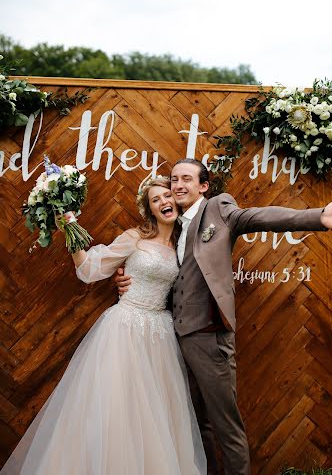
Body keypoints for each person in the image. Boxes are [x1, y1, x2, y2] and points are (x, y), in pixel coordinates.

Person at [116, 158, 332, 475]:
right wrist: (128, 278)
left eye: (186, 178)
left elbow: (260, 217)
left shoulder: (219, 209)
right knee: (196, 425)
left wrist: (319, 216)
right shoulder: (172, 226)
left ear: (204, 186)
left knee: (226, 427)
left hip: (210, 339)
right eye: (173, 180)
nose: (177, 184)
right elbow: (163, 274)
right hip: (174, 340)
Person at [1, 177, 207, 475]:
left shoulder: (183, 243)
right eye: (155, 200)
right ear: (149, 210)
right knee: (115, 412)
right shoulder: (134, 237)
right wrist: (69, 230)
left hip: (160, 334)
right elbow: (88, 269)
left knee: (157, 415)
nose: (164, 202)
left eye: (167, 196)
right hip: (124, 331)